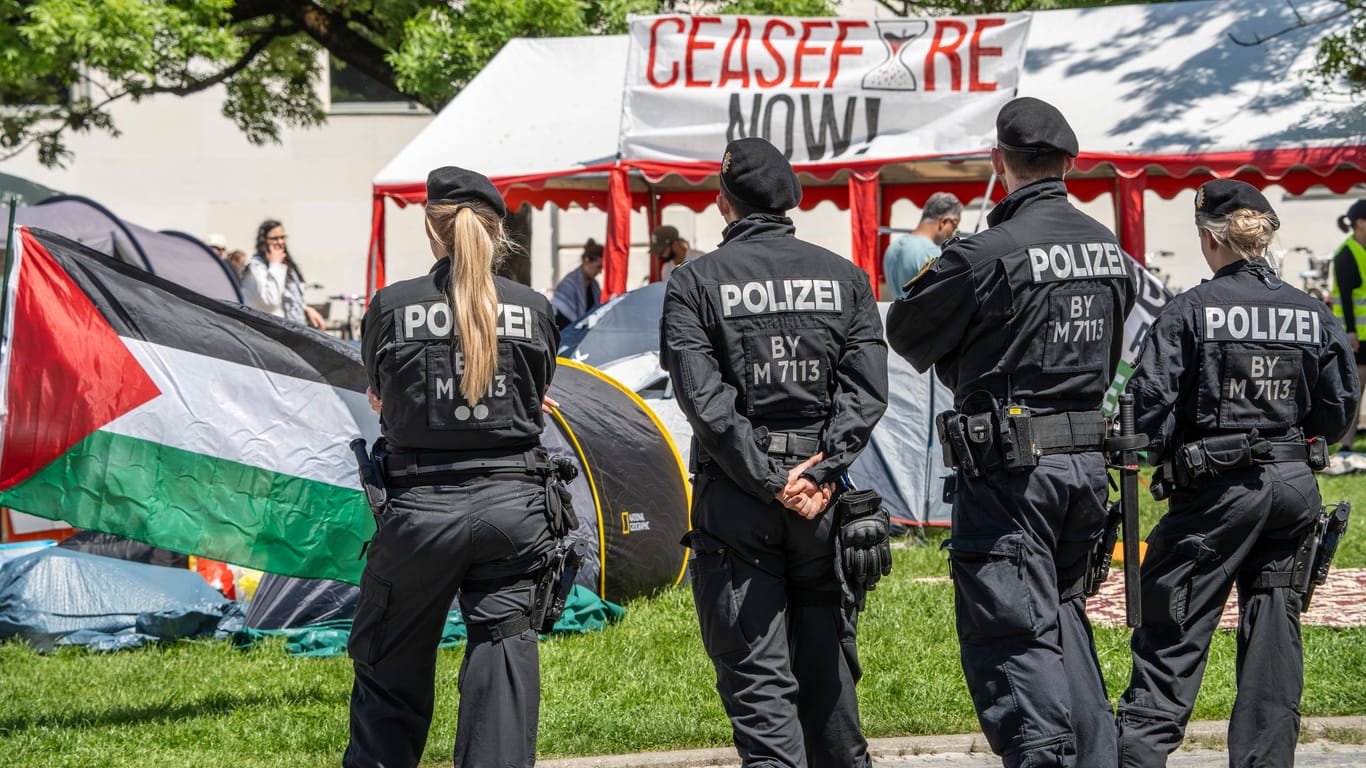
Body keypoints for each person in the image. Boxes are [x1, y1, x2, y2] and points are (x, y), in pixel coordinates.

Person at [886, 97, 1136, 768]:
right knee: (1061, 617)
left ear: (1000, 161)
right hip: (1085, 466)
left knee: (1013, 630)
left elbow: (906, 330)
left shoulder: (984, 252)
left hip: (1012, 477)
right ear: (1069, 164)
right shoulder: (1108, 249)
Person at [660, 137, 889, 768]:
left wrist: (767, 478)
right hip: (824, 499)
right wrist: (825, 469)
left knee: (759, 686)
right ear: (790, 201)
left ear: (723, 204)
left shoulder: (694, 283)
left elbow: (703, 402)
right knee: (831, 681)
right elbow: (867, 390)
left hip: (739, 501)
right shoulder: (844, 278)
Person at [1115, 181, 1358, 768]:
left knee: (1171, 633)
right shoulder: (1311, 312)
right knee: (1275, 639)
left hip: (1216, 496)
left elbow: (1145, 408)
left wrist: (1164, 453)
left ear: (1208, 237)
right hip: (1294, 491)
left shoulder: (1191, 310)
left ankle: (1137, 757)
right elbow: (1338, 412)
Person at [347, 167, 565, 768]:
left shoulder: (391, 306)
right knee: (502, 672)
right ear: (498, 231)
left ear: (429, 227)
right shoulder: (532, 308)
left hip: (418, 512)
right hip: (514, 513)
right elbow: (534, 394)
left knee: (390, 668)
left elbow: (381, 395)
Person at [241, 219, 325, 329]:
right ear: (264, 240)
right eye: (275, 239)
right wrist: (275, 265)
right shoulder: (256, 267)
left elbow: (289, 297)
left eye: (282, 237)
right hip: (267, 331)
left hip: (290, 330)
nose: (280, 242)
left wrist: (306, 309)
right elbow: (271, 301)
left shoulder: (286, 266)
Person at [1330, 198, 1366, 454]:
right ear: (1360, 224)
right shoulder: (1346, 253)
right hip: (1358, 337)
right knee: (1356, 390)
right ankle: (1346, 445)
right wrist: (1351, 332)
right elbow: (1343, 295)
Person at [882, 192, 962, 296]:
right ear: (944, 221)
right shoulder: (931, 252)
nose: (952, 233)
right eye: (954, 227)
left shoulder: (893, 247)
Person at [551, 238, 603, 328]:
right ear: (586, 260)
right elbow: (562, 310)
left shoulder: (595, 286)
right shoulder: (569, 283)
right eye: (598, 267)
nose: (599, 271)